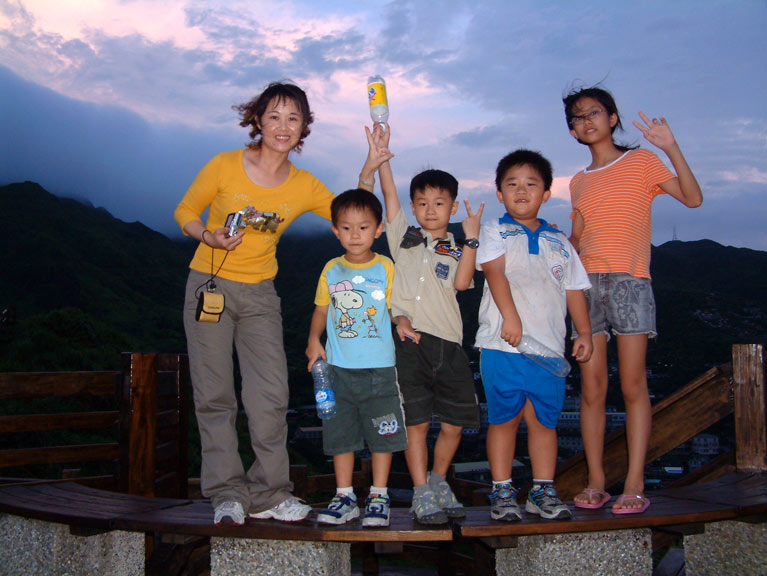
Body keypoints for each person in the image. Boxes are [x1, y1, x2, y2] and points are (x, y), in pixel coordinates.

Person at [174, 81, 380, 526]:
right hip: (209, 284)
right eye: (274, 116)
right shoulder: (225, 165)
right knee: (215, 393)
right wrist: (208, 236)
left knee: (270, 394)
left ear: (304, 127)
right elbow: (185, 211)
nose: (283, 126)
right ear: (257, 120)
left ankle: (268, 493)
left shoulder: (303, 184)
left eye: (293, 118)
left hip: (261, 295)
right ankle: (226, 493)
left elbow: (350, 214)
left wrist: (368, 169)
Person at [563, 86, 703, 514]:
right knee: (592, 388)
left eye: (593, 113)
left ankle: (635, 483)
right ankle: (596, 481)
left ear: (612, 118)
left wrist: (670, 147)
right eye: (577, 118)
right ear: (572, 131)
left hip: (630, 280)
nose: (586, 121)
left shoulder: (641, 161)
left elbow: (693, 198)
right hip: (586, 285)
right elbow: (578, 238)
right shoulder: (578, 181)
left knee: (632, 384)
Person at [368, 124, 483, 525]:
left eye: (439, 202)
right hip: (408, 341)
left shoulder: (457, 247)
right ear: (414, 208)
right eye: (422, 203)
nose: (430, 209)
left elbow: (463, 283)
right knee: (415, 422)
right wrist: (383, 158)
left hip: (448, 342)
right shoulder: (402, 236)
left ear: (452, 207)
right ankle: (421, 492)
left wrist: (471, 239)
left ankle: (438, 480)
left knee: (454, 423)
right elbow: (388, 195)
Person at [475, 149, 593, 521]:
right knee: (504, 420)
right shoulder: (494, 230)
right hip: (501, 345)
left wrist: (583, 332)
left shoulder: (560, 241)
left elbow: (574, 290)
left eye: (531, 184)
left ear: (546, 193)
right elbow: (494, 272)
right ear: (500, 193)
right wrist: (511, 319)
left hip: (549, 350)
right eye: (512, 184)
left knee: (544, 422)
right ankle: (502, 491)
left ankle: (542, 490)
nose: (521, 190)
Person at [306, 189, 407, 527]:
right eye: (346, 228)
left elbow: (394, 307)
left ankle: (379, 496)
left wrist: (402, 322)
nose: (355, 235)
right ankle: (344, 496)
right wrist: (313, 340)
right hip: (338, 370)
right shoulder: (331, 269)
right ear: (335, 230)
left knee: (384, 434)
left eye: (363, 227)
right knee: (340, 435)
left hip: (380, 369)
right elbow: (321, 310)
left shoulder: (386, 266)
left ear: (378, 229)